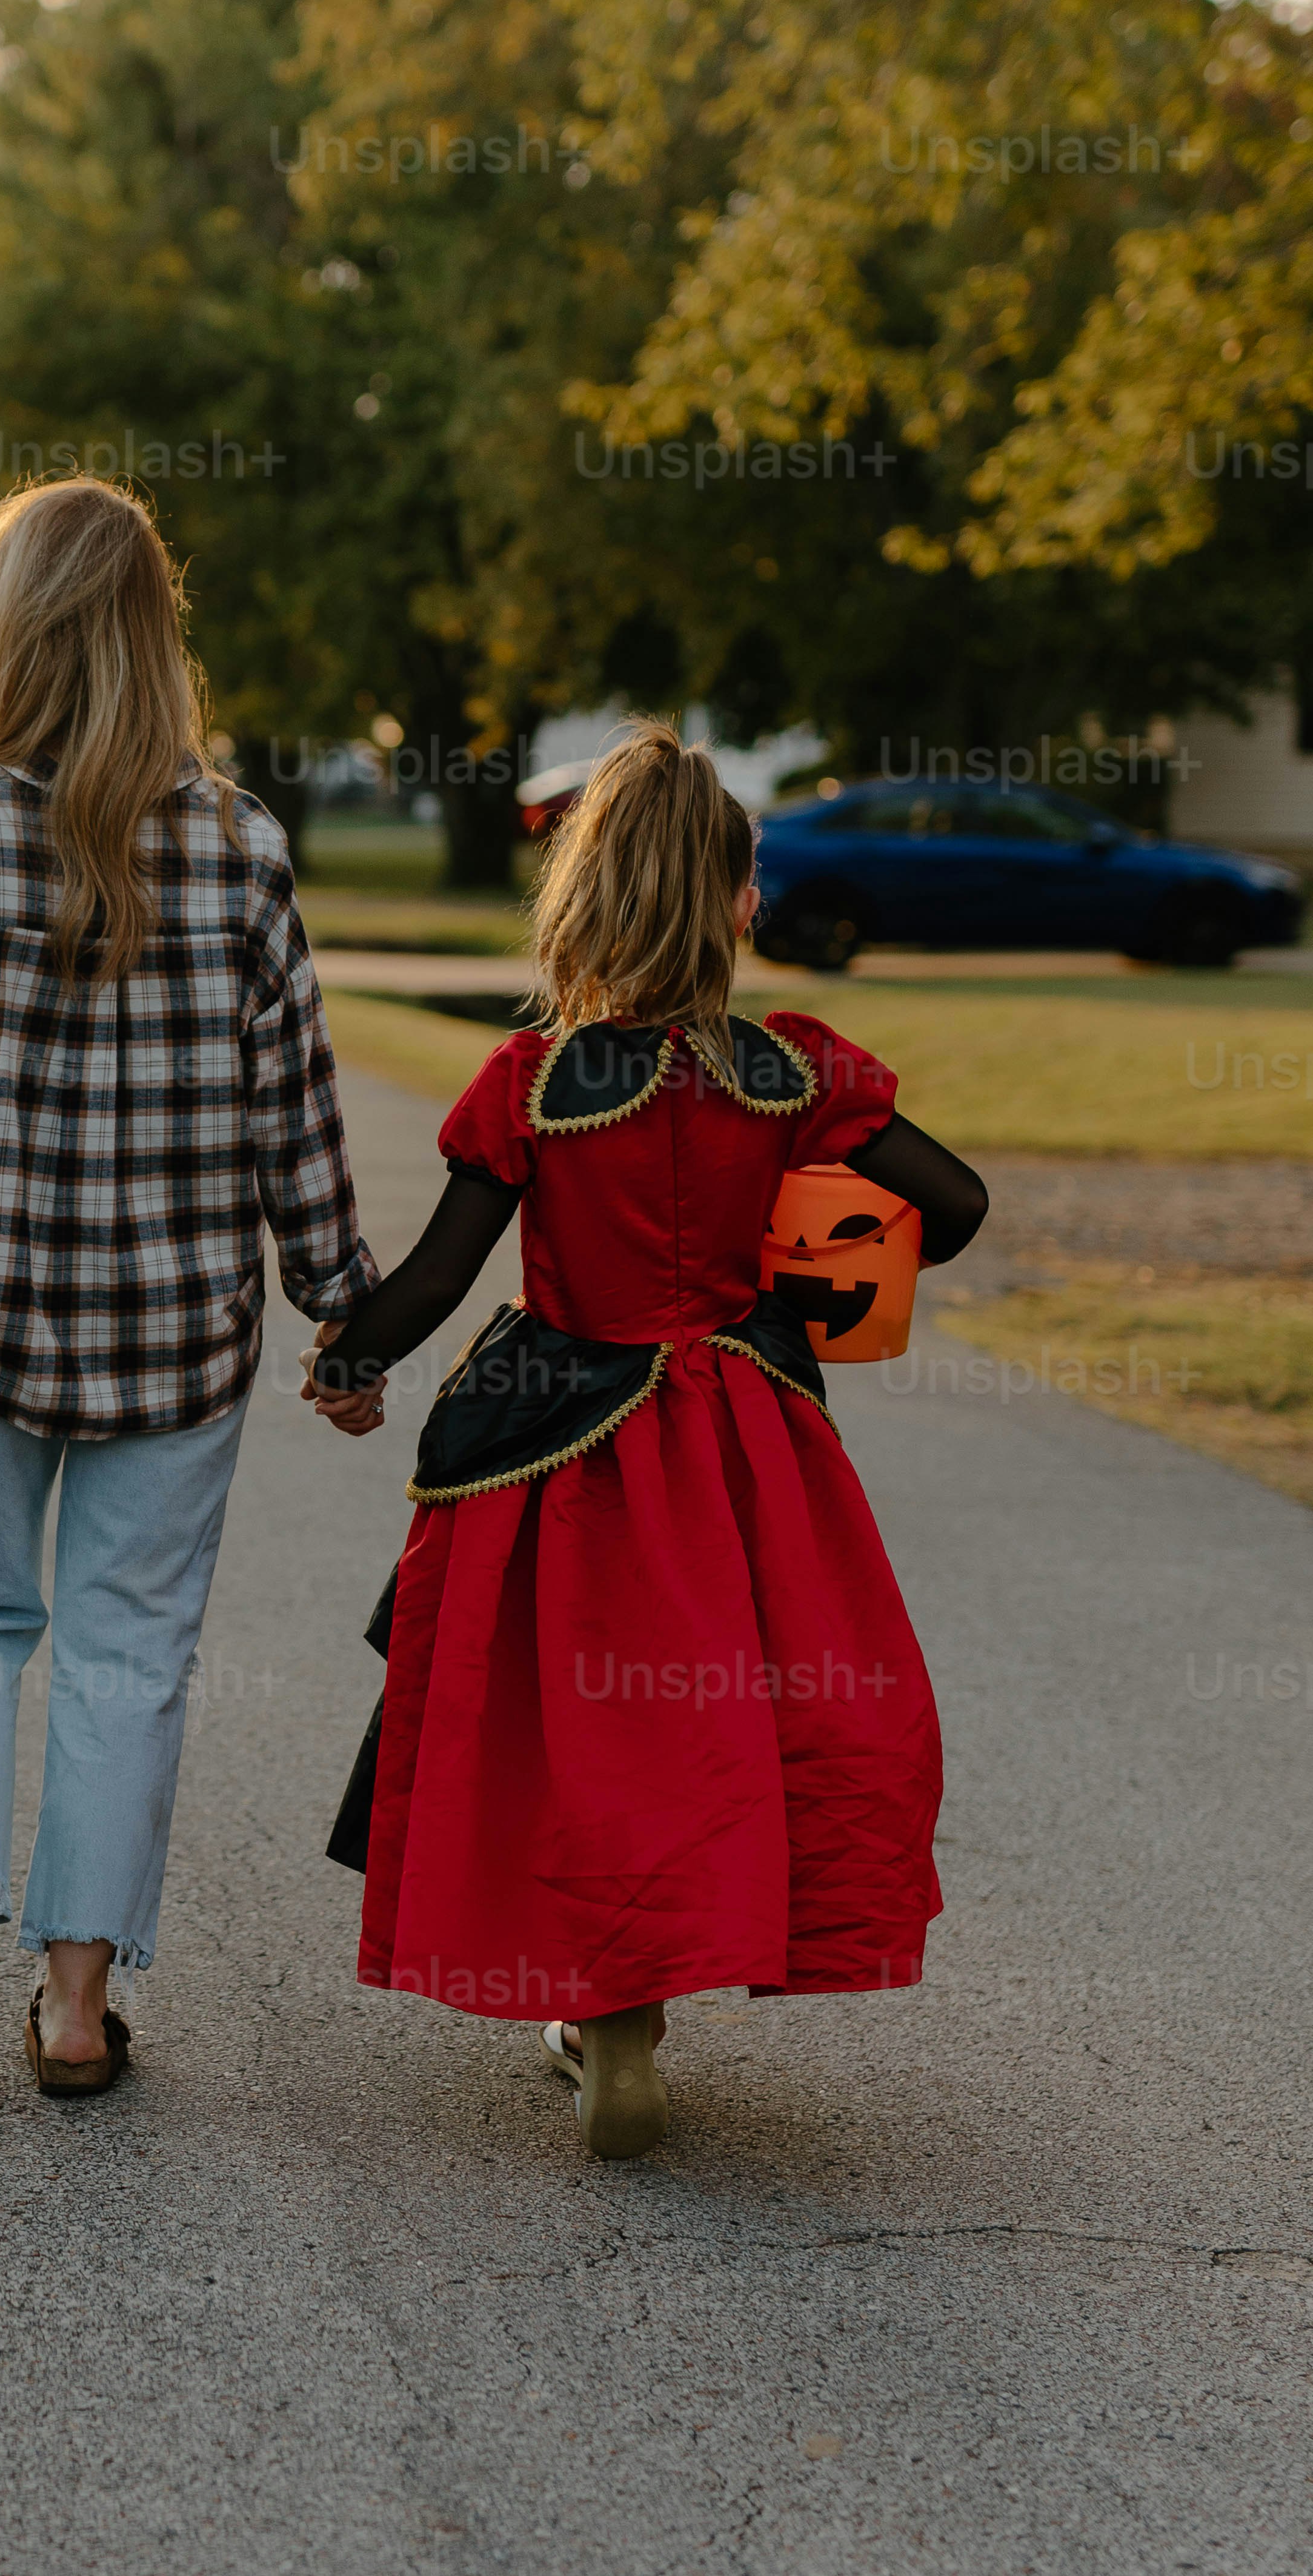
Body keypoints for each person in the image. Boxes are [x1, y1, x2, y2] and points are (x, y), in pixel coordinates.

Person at [304, 723, 987, 2159]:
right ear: (741, 905)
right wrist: (814, 1264)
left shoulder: (534, 1083)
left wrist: (349, 1359)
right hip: (746, 1440)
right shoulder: (793, 1072)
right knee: (728, 1717)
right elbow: (959, 1201)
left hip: (562, 1448)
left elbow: (435, 1277)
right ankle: (645, 1995)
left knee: (584, 1725)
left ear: (579, 901)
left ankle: (604, 2010)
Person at [0, 477, 377, 2094]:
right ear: (157, 639)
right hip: (180, 1337)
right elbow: (297, 1116)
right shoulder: (243, 850)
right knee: (128, 1650)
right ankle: (74, 2008)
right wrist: (342, 1306)